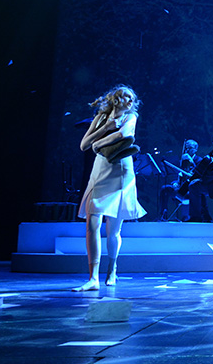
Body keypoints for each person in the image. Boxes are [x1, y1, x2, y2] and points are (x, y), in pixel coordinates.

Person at [74, 85, 147, 291]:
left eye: (133, 98)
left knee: (113, 230)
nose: (130, 100)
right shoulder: (99, 118)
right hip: (100, 171)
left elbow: (124, 135)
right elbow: (84, 144)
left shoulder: (131, 117)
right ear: (116, 99)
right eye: (126, 96)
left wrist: (99, 143)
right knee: (92, 223)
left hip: (121, 171)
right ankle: (93, 278)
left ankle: (112, 268)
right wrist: (105, 128)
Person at [159, 139, 199, 221]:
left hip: (191, 189)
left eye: (190, 148)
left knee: (185, 194)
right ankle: (163, 214)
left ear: (195, 149)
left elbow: (199, 175)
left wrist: (192, 162)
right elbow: (177, 174)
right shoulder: (183, 161)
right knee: (164, 189)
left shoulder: (199, 160)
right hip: (180, 187)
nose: (187, 150)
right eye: (186, 148)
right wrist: (175, 183)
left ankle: (186, 218)